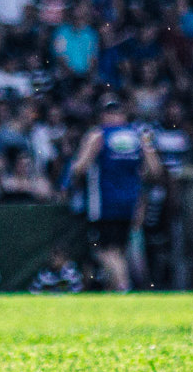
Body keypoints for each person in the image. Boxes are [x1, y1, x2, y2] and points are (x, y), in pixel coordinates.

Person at [66, 101, 161, 293]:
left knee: (104, 250)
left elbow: (80, 168)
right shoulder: (139, 136)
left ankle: (122, 288)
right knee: (119, 250)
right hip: (130, 203)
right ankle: (114, 292)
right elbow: (155, 170)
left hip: (103, 203)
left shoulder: (98, 135)